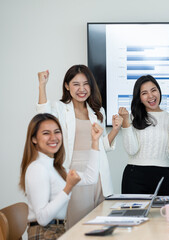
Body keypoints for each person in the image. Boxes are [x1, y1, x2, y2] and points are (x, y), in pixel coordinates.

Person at [36, 65, 123, 228]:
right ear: (67, 86)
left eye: (86, 84)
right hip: (76, 175)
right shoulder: (60, 108)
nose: (81, 89)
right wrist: (42, 86)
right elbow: (42, 118)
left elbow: (101, 146)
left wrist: (116, 130)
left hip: (98, 174)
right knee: (79, 226)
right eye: (76, 84)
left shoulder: (98, 111)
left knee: (100, 224)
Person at [19, 113, 103, 239]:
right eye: (46, 133)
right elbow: (42, 218)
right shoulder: (37, 168)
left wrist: (95, 141)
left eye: (57, 132)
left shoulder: (55, 168)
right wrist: (68, 187)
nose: (53, 138)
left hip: (57, 230)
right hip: (44, 234)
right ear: (34, 139)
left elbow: (91, 178)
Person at [118, 75, 169, 196]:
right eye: (144, 93)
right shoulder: (132, 117)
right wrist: (126, 122)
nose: (151, 96)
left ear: (159, 91)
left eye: (153, 90)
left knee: (161, 214)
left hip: (162, 176)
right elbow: (131, 150)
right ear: (139, 97)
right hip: (134, 176)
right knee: (133, 214)